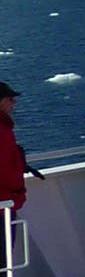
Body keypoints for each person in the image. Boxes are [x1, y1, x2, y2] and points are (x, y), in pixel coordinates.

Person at [0, 82, 26, 215]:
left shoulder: (4, 127)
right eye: (10, 99)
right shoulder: (2, 129)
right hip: (4, 203)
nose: (14, 103)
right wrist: (17, 192)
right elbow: (4, 166)